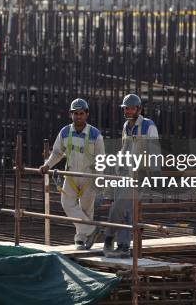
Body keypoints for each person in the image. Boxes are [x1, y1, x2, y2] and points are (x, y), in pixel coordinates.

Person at [40, 98, 105, 250]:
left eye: (81, 113)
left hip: (89, 176)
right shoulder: (64, 132)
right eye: (75, 114)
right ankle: (91, 230)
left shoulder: (96, 134)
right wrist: (47, 165)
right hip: (71, 175)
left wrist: (99, 178)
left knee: (86, 209)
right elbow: (57, 153)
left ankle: (81, 239)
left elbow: (101, 158)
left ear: (86, 114)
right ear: (71, 115)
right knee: (67, 203)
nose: (78, 116)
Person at [104, 93, 160, 258]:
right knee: (126, 212)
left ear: (139, 109)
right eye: (126, 108)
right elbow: (124, 148)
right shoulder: (126, 127)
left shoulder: (148, 126)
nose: (128, 111)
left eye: (131, 108)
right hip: (125, 175)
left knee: (118, 207)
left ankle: (108, 237)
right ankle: (123, 246)